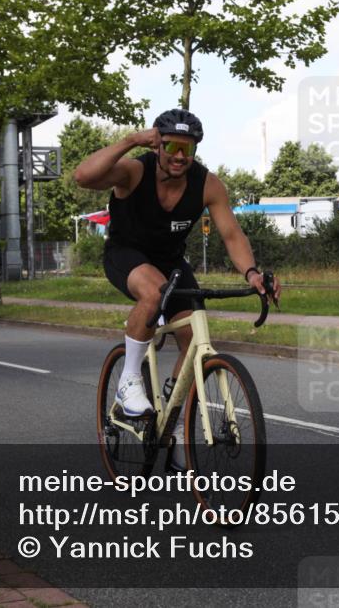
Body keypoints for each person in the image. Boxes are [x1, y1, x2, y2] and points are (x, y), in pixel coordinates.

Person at [74, 108, 281, 466]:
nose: (179, 157)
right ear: (158, 145)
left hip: (171, 263)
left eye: (188, 149)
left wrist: (251, 273)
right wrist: (130, 140)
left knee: (195, 337)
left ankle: (169, 424)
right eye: (171, 146)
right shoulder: (134, 170)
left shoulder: (208, 184)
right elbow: (82, 176)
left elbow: (232, 235)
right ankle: (128, 381)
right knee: (153, 293)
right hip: (126, 254)